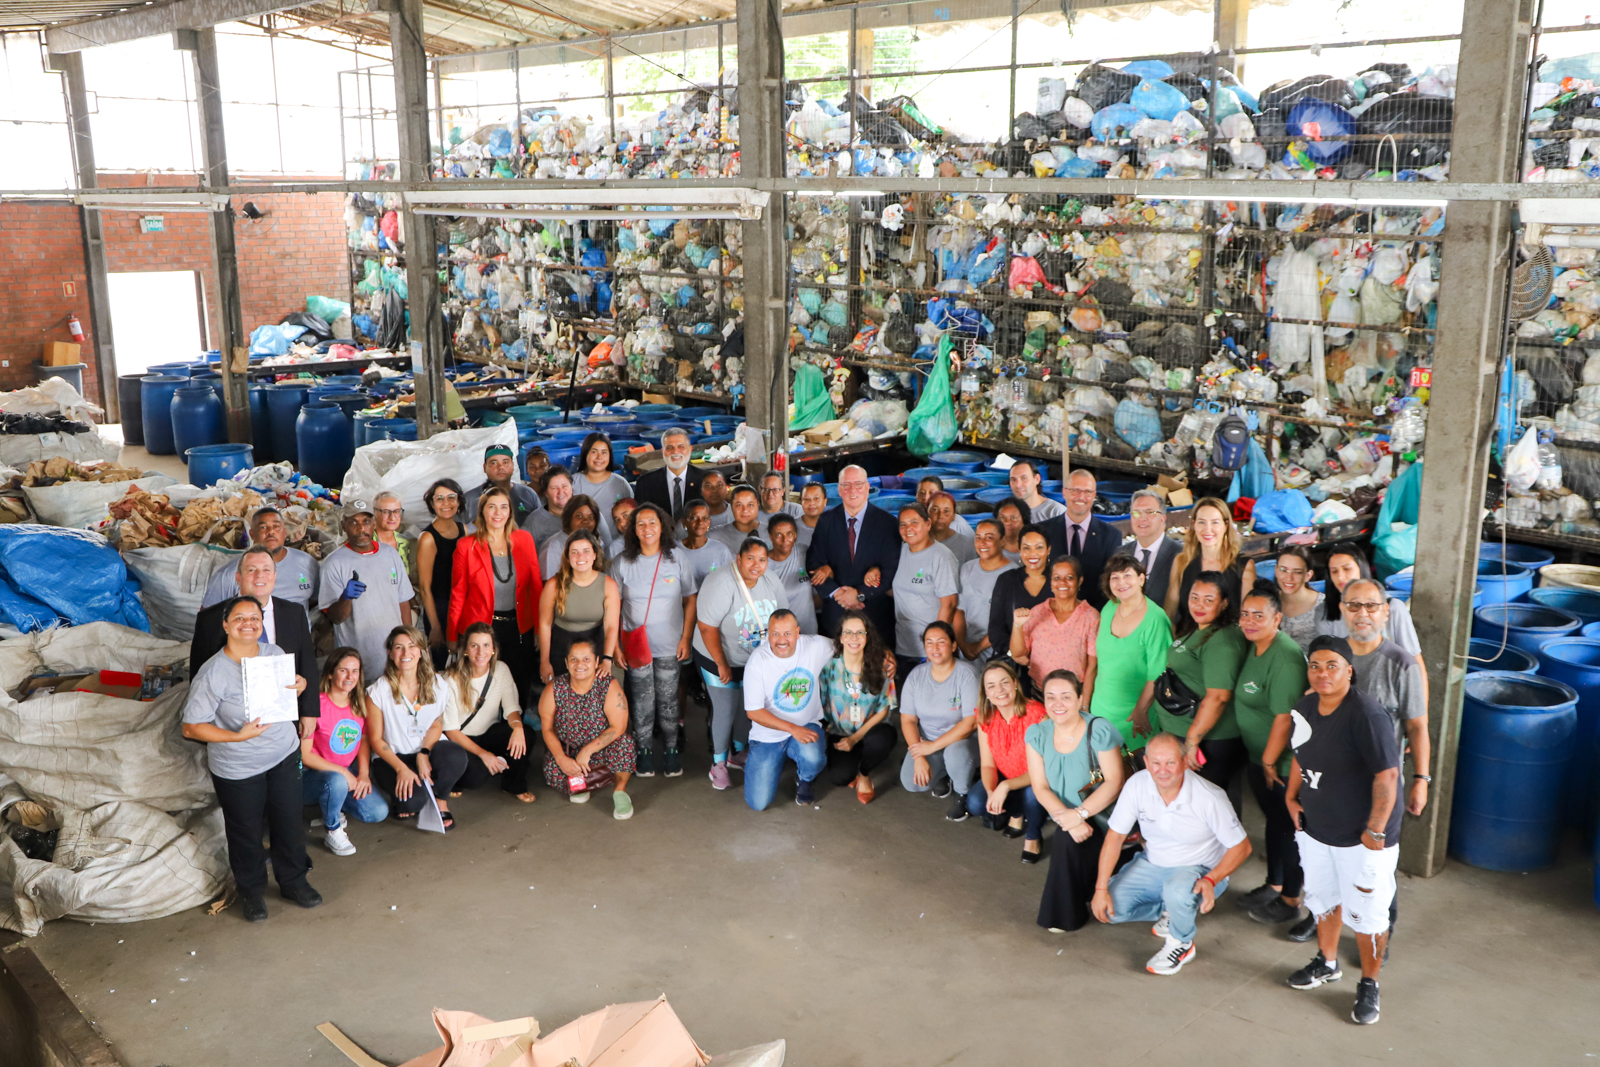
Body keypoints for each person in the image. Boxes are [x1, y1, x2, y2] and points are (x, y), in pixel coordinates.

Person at [1283, 636, 1402, 1026]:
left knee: (1369, 915)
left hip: (1362, 838)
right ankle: (1327, 961)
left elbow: (1387, 775)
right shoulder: (1305, 708)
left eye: (1331, 665)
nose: (1322, 673)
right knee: (1323, 899)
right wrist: (1291, 796)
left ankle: (1369, 983)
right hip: (1317, 829)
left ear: (1349, 670)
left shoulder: (1366, 715)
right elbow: (1300, 756)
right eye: (1315, 666)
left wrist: (1375, 832)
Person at [181, 595, 317, 922]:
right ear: (226, 626)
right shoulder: (213, 672)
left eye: (255, 618)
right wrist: (237, 736)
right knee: (246, 832)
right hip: (238, 767)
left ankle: (294, 881)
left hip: (283, 754)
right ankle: (252, 891)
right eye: (240, 618)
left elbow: (285, 694)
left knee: (289, 822)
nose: (248, 624)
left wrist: (300, 685)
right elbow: (191, 727)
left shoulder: (274, 655)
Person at [1090, 732, 1252, 975]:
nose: (1162, 770)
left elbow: (1242, 847)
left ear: (1185, 762)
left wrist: (1211, 880)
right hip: (1153, 862)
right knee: (1109, 911)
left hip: (1198, 869)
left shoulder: (1210, 797)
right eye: (1156, 762)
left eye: (1170, 762)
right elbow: (1114, 837)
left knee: (1177, 891)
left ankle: (1181, 943)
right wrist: (1101, 889)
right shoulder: (1136, 784)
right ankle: (1172, 910)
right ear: (1146, 763)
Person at [1230, 583, 1310, 928]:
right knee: (1275, 825)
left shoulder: (1285, 657)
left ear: (1277, 618)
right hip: (1259, 757)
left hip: (1282, 764)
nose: (1249, 621)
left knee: (1289, 830)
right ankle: (1274, 884)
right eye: (1245, 614)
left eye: (1258, 615)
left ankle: (1291, 899)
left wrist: (1268, 761)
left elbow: (1284, 718)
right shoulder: (1255, 646)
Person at [1030, 669, 1127, 928]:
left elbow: (1114, 782)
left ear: (1079, 698)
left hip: (1102, 817)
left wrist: (1079, 814)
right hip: (1067, 818)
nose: (1057, 704)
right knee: (1066, 836)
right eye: (1050, 697)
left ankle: (1063, 916)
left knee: (1064, 840)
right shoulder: (1037, 733)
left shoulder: (1099, 729)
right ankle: (1073, 902)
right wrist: (1069, 820)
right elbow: (1040, 787)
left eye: (1065, 696)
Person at [190, 547, 318, 728]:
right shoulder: (210, 619)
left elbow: (307, 663)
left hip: (282, 720)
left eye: (266, 570)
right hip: (230, 724)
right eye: (251, 570)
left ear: (274, 576)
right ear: (238, 578)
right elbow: (198, 674)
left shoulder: (294, 613)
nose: (260, 575)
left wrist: (309, 712)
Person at [614, 502, 698, 777]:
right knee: (642, 702)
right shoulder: (622, 562)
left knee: (668, 700)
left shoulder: (677, 558)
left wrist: (686, 637)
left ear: (663, 527)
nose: (647, 528)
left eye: (653, 522)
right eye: (640, 523)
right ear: (633, 530)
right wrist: (615, 646)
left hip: (670, 644)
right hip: (636, 646)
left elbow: (690, 598)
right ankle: (644, 750)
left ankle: (671, 750)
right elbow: (612, 606)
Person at [693, 536, 784, 788]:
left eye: (762, 560)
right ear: (739, 558)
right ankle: (718, 764)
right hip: (716, 656)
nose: (756, 565)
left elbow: (782, 617)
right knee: (725, 708)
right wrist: (721, 664)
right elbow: (706, 627)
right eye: (751, 558)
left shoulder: (770, 580)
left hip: (752, 659)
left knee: (748, 704)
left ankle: (738, 752)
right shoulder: (721, 582)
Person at [1156, 572, 1249, 795]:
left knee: (1205, 803)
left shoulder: (1223, 641)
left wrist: (1192, 741)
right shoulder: (1200, 627)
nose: (1199, 605)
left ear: (1224, 603)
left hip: (1209, 740)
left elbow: (1218, 697)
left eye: (1209, 600)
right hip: (1182, 731)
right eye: (1194, 597)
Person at [448, 485, 544, 701]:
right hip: (481, 630)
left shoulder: (525, 539)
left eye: (503, 507)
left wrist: (539, 629)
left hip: (519, 629)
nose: (498, 512)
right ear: (482, 511)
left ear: (510, 511)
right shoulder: (466, 546)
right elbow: (458, 594)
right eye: (491, 507)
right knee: (482, 690)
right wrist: (452, 635)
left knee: (519, 687)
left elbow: (536, 588)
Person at [366, 625, 467, 826]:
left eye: (412, 646)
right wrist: (401, 768)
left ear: (421, 651)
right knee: (411, 803)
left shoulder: (438, 685)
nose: (406, 653)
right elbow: (375, 739)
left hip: (425, 751)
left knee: (456, 756)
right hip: (393, 757)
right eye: (399, 647)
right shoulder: (378, 691)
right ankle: (412, 795)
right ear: (390, 652)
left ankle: (440, 799)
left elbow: (436, 724)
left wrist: (424, 753)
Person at [742, 610, 835, 809]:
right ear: (768, 634)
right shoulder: (757, 661)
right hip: (767, 736)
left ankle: (805, 778)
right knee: (758, 803)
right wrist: (792, 729)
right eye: (775, 634)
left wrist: (885, 656)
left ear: (797, 633)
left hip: (806, 724)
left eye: (787, 633)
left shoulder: (815, 645)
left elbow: (849, 645)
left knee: (813, 757)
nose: (782, 640)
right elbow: (754, 712)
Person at [301, 648, 390, 856]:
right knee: (337, 781)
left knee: (377, 812)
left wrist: (364, 774)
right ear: (330, 673)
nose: (350, 676)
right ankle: (333, 829)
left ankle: (332, 805)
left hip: (343, 774)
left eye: (355, 671)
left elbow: (364, 741)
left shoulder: (359, 705)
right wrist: (342, 772)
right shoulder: (316, 705)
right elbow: (305, 755)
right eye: (343, 670)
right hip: (310, 777)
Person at [1316, 544, 1428, 706]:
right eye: (1334, 571)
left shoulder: (1393, 608)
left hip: (1389, 697)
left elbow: (1415, 662)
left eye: (1347, 569)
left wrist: (1421, 711)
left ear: (1361, 568)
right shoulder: (1325, 612)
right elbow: (1327, 665)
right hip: (1345, 699)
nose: (1340, 576)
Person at [539, 637, 636, 819]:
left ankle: (620, 791)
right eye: (574, 659)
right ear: (566, 663)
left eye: (586, 659)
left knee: (625, 744)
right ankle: (580, 785)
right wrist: (561, 758)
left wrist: (588, 751)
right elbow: (547, 729)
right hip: (570, 751)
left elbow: (619, 726)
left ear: (596, 662)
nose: (580, 665)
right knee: (552, 767)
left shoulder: (608, 685)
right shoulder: (554, 688)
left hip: (601, 748)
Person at [319, 503, 414, 681]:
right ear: (343, 526)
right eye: (353, 522)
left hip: (394, 656)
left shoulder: (390, 554)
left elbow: (403, 601)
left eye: (366, 521)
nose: (361, 528)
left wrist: (409, 641)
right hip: (358, 662)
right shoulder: (333, 563)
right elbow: (335, 617)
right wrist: (345, 598)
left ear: (374, 524)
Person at [442, 622, 533, 803]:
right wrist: (484, 754)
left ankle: (513, 784)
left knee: (527, 735)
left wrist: (517, 728)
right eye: (474, 645)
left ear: (493, 649)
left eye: (486, 645)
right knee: (477, 777)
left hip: (488, 733)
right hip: (461, 739)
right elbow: (451, 731)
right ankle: (457, 777)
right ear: (465, 650)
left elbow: (511, 708)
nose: (480, 652)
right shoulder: (451, 679)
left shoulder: (501, 669)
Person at [806, 464, 899, 640]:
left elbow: (891, 569)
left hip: (875, 617)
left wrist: (860, 595)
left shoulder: (887, 523)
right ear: (839, 490)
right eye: (846, 485)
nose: (852, 490)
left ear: (867, 487)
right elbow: (813, 562)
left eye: (858, 484)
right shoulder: (826, 521)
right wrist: (836, 593)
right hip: (836, 617)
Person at [899, 621, 981, 821]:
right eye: (929, 642)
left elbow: (971, 723)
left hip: (963, 741)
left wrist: (932, 747)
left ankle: (962, 793)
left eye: (941, 642)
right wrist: (919, 755)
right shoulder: (916, 676)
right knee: (911, 782)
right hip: (929, 741)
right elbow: (908, 719)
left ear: (953, 646)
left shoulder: (967, 674)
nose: (935, 648)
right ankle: (944, 773)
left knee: (955, 753)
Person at [1091, 553, 1173, 749]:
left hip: (1134, 715)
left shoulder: (1156, 619)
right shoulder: (1109, 608)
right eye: (1115, 577)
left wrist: (1140, 710)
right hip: (1100, 710)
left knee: (1134, 765)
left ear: (1141, 579)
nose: (1121, 582)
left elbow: (1159, 673)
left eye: (1127, 575)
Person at [966, 660, 1046, 856]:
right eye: (991, 686)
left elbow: (1044, 770)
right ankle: (1017, 813)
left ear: (1015, 683)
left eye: (1004, 682)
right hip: (1005, 774)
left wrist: (1005, 786)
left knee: (1033, 796)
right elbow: (987, 765)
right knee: (976, 802)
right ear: (985, 692)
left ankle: (1033, 836)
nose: (999, 690)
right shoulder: (985, 716)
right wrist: (991, 791)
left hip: (1035, 777)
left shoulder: (1037, 715)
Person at [820, 609, 899, 804]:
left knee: (885, 738)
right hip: (840, 732)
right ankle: (853, 766)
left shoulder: (882, 666)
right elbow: (821, 705)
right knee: (839, 777)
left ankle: (864, 772)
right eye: (848, 632)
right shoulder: (829, 668)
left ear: (867, 636)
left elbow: (884, 710)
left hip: (872, 730)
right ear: (840, 637)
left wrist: (855, 738)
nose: (854, 638)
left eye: (860, 633)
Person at [890, 503, 960, 685]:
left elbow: (949, 604)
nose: (908, 528)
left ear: (928, 524)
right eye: (903, 524)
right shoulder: (900, 551)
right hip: (904, 646)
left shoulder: (941, 556)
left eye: (914, 522)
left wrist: (935, 648)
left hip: (929, 651)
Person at [538, 530, 620, 683]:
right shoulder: (554, 584)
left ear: (594, 555)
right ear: (568, 557)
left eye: (586, 551)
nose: (580, 556)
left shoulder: (608, 585)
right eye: (574, 552)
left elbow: (611, 626)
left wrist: (607, 659)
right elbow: (545, 624)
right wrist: (545, 661)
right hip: (561, 651)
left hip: (595, 650)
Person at [1011, 556, 1098, 698]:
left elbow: (1092, 667)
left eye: (1069, 577)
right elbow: (1018, 653)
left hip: (1074, 695)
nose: (1062, 582)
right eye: (1057, 578)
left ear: (1079, 581)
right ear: (1050, 581)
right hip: (1039, 693)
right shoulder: (1037, 612)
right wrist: (1017, 626)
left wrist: (1084, 704)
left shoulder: (1091, 617)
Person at [1164, 496, 1256, 631]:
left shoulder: (1244, 566)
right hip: (1188, 638)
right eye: (1201, 522)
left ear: (1226, 525)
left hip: (1228, 641)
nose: (1208, 529)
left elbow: (1248, 619)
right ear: (1194, 525)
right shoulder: (1182, 562)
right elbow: (1169, 614)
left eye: (1215, 522)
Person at [200, 506, 319, 610]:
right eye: (263, 527)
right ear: (252, 534)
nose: (271, 531)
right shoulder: (229, 573)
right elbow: (208, 616)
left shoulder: (307, 562)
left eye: (276, 526)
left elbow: (315, 600)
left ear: (284, 532)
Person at [1038, 470, 1122, 607]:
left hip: (1095, 614)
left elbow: (1111, 584)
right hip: (1051, 612)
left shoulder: (1111, 536)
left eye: (1087, 492)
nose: (1081, 497)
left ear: (1094, 496)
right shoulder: (1042, 531)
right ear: (1064, 493)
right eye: (1075, 490)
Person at [416, 478, 470, 667]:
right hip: (439, 608)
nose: (446, 503)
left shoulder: (464, 530)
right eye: (439, 498)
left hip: (462, 605)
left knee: (465, 664)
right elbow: (424, 588)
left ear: (459, 501)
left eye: (451, 497)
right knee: (444, 667)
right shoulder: (428, 538)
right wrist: (436, 626)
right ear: (432, 504)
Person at [954, 518, 1017, 664]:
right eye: (978, 538)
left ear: (1002, 541)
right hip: (967, 652)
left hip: (998, 654)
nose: (982, 543)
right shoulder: (967, 568)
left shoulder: (1014, 574)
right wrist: (962, 644)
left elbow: (1009, 622)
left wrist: (978, 647)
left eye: (989, 538)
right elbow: (959, 610)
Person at [986, 526, 1053, 660]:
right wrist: (1014, 654)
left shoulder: (1059, 580)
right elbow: (996, 628)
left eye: (1039, 547)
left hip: (1054, 659)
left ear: (1048, 550)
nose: (1032, 553)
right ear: (1020, 550)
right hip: (1015, 661)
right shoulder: (1006, 580)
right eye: (1026, 548)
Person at [634, 428, 705, 520]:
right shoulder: (645, 483)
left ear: (690, 449)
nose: (675, 452)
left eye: (681, 447)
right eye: (669, 448)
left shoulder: (705, 480)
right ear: (662, 451)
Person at [464, 443, 542, 526]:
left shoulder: (528, 494)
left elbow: (541, 525)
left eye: (505, 462)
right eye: (494, 463)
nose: (500, 467)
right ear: (485, 467)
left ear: (513, 466)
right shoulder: (469, 499)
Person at [1126, 490, 1180, 609]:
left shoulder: (1180, 555)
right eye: (1136, 513)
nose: (1142, 518)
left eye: (1150, 512)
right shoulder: (1121, 553)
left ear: (1163, 518)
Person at [575, 433, 633, 542]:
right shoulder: (573, 483)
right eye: (594, 452)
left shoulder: (620, 483)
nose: (599, 457)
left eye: (604, 452)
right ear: (585, 453)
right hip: (584, 546)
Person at [765, 513, 817, 635]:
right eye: (779, 535)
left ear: (795, 535)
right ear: (770, 536)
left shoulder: (803, 552)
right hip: (781, 636)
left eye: (789, 534)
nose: (785, 540)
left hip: (808, 632)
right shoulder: (763, 565)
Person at [540, 495, 602, 582]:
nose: (585, 521)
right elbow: (549, 584)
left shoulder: (598, 542)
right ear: (568, 518)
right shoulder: (553, 547)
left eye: (591, 517)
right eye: (579, 516)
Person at [1274, 545, 1324, 652]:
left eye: (1297, 572)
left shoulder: (1323, 605)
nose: (1289, 578)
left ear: (1308, 575)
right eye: (1283, 570)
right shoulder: (1267, 601)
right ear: (1276, 571)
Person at [677, 499, 734, 589]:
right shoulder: (674, 550)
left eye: (705, 518)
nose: (700, 522)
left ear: (709, 522)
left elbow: (730, 583)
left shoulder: (721, 550)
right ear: (684, 522)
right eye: (694, 518)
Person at [709, 484, 766, 555]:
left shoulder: (772, 532)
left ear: (758, 504)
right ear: (731, 506)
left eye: (750, 505)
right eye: (739, 505)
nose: (745, 510)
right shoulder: (714, 537)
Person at [372, 492, 414, 586]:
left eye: (396, 511)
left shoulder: (405, 542)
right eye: (386, 512)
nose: (392, 517)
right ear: (374, 513)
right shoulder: (366, 543)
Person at [525, 466, 573, 547]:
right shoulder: (533, 522)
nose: (560, 492)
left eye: (564, 486)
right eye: (554, 488)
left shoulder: (584, 514)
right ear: (546, 493)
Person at [927, 492, 976, 567]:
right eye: (935, 510)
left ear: (953, 516)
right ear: (927, 513)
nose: (940, 516)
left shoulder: (965, 545)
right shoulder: (917, 541)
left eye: (946, 511)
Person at [794, 482, 828, 551]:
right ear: (801, 502)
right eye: (807, 499)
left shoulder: (836, 527)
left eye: (816, 498)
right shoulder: (791, 527)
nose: (812, 503)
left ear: (825, 501)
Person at [994, 497, 1027, 563]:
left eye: (1013, 518)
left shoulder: (1035, 548)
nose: (1007, 522)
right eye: (1002, 518)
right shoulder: (990, 549)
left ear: (1024, 521)